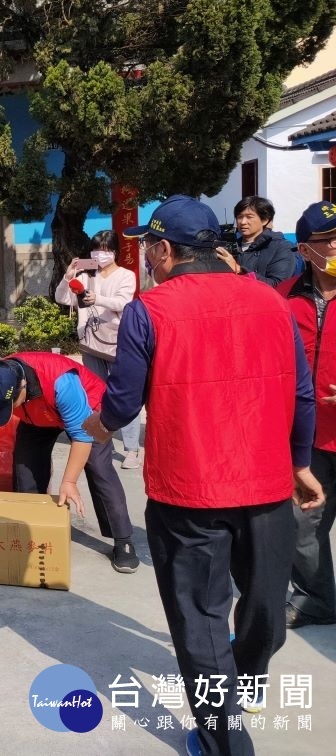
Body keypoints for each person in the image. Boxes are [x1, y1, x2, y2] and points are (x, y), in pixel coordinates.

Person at [81, 195, 323, 756]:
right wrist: (301, 462)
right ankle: (241, 678)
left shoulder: (151, 310)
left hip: (187, 493)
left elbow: (121, 404)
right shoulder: (271, 302)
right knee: (264, 608)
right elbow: (301, 392)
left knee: (201, 621)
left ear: (165, 250)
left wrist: (92, 427)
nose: (146, 258)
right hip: (265, 488)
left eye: (148, 248)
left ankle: (223, 740)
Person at [0, 351, 138, 573]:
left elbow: (82, 436)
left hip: (87, 411)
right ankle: (31, 528)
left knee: (98, 467)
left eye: (10, 404)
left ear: (23, 386)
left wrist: (70, 482)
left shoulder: (62, 382)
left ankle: (123, 539)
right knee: (25, 465)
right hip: (37, 415)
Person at [278, 201, 336, 630]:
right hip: (311, 439)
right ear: (304, 249)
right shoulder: (284, 298)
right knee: (304, 524)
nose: (335, 246)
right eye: (327, 241)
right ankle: (317, 599)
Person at [54, 229, 142, 468]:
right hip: (91, 346)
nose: (100, 254)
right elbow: (62, 298)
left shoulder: (125, 275)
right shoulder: (84, 276)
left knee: (123, 395)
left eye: (105, 249)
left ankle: (132, 449)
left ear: (115, 252)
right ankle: (104, 443)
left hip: (118, 345)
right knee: (96, 395)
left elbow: (123, 303)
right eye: (96, 249)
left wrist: (98, 299)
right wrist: (68, 276)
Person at [215, 195, 297, 286]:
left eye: (249, 217)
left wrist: (239, 270)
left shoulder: (282, 247)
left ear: (264, 220)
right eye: (239, 217)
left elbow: (278, 285)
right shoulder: (230, 246)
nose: (242, 222)